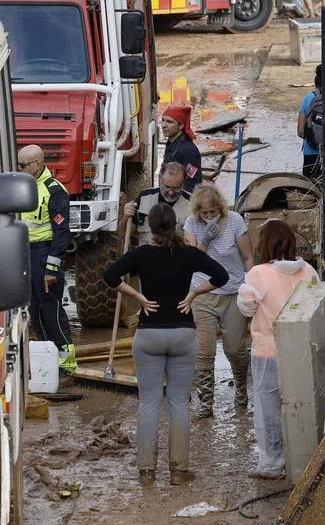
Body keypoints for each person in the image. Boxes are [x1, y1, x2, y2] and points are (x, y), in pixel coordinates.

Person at [101, 203, 229, 487]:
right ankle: (179, 471)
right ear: (176, 225)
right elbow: (222, 276)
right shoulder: (188, 253)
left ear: (151, 228)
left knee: (148, 403)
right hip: (183, 333)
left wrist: (138, 297)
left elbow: (109, 275)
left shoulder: (141, 254)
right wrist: (194, 293)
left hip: (148, 334)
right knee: (179, 403)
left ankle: (146, 472)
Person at [237, 219, 318, 480]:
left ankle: (272, 464)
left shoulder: (257, 274)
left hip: (267, 352)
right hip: (302, 350)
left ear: (265, 245)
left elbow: (246, 307)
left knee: (268, 409)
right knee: (302, 404)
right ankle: (306, 458)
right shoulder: (308, 271)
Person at [183, 184, 253, 418]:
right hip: (202, 293)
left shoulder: (234, 221)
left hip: (233, 291)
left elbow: (247, 257)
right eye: (205, 213)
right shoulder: (191, 224)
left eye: (213, 212)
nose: (209, 216)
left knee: (235, 349)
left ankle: (241, 389)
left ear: (220, 208)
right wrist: (205, 238)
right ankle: (206, 403)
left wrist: (252, 284)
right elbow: (191, 260)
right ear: (197, 211)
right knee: (204, 351)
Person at [18, 145, 76, 375]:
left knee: (51, 309)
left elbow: (62, 234)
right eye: (18, 164)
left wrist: (51, 268)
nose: (19, 169)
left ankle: (66, 364)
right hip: (26, 254)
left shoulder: (54, 190)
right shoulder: (22, 186)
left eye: (23, 165)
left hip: (45, 254)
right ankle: (47, 363)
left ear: (38, 164)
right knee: (35, 309)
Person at [124, 162, 193, 246]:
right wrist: (126, 217)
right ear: (160, 178)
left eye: (176, 188)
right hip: (146, 256)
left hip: (176, 257)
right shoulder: (144, 197)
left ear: (183, 182)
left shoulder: (192, 203)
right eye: (167, 187)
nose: (171, 192)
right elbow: (124, 233)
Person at [161, 105, 203, 193]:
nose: (163, 125)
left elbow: (193, 183)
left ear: (180, 125)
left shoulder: (188, 151)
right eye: (163, 120)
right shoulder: (171, 143)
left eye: (169, 122)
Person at [297, 64, 322, 179]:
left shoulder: (308, 98)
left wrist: (313, 137)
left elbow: (300, 131)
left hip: (311, 154)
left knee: (311, 191)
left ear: (316, 84)